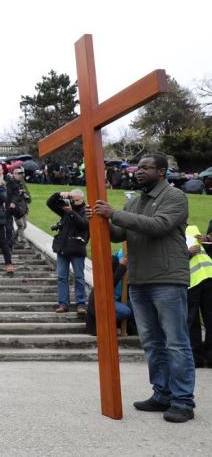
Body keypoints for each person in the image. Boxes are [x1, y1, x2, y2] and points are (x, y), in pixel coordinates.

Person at [89, 153, 196, 423]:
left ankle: (183, 401)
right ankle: (162, 393)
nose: (139, 171)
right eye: (138, 167)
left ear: (162, 172)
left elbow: (159, 226)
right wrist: (97, 219)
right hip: (139, 281)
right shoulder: (136, 201)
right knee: (152, 343)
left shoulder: (175, 197)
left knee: (176, 343)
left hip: (168, 279)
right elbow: (119, 233)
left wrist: (115, 214)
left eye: (146, 168)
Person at [47, 189, 89, 313]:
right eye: (71, 198)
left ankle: (81, 304)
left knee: (79, 277)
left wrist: (71, 212)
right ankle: (63, 304)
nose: (72, 201)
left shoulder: (86, 210)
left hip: (77, 249)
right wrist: (59, 194)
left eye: (75, 200)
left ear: (81, 199)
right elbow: (50, 203)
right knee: (61, 277)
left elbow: (84, 224)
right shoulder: (66, 208)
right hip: (63, 248)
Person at [85, 254, 134, 336]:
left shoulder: (121, 278)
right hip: (98, 317)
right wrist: (122, 267)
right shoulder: (102, 279)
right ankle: (105, 324)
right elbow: (110, 284)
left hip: (112, 305)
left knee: (133, 307)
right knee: (126, 311)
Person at [185, 224, 212, 368]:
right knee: (193, 320)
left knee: (202, 319)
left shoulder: (192, 228)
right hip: (193, 280)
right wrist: (188, 253)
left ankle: (201, 357)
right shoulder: (166, 232)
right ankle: (197, 358)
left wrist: (206, 239)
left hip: (207, 276)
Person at [7, 167, 31, 247]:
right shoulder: (10, 183)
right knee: (21, 225)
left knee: (25, 226)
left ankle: (13, 239)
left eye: (21, 174)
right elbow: (10, 195)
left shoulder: (21, 183)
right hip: (15, 208)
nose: (20, 175)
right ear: (14, 174)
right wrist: (18, 193)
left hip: (23, 207)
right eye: (18, 174)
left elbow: (26, 196)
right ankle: (24, 243)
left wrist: (27, 208)